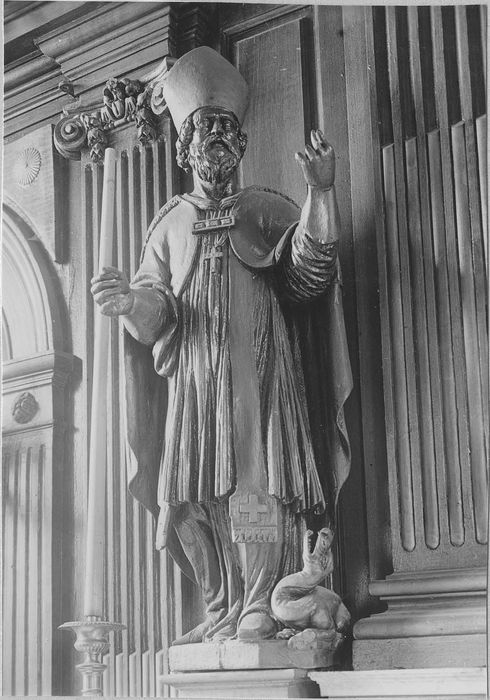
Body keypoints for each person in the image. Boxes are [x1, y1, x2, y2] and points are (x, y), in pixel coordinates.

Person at [91, 47, 352, 645]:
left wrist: (320, 193)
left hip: (258, 381)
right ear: (184, 144)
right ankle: (220, 605)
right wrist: (129, 302)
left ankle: (260, 599)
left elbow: (310, 273)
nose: (215, 136)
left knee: (256, 488)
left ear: (240, 141)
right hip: (194, 387)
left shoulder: (266, 209)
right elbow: (156, 310)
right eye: (204, 127)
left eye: (225, 127)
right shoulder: (168, 224)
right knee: (188, 497)